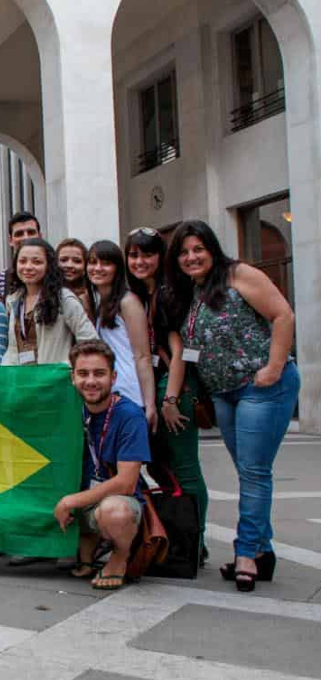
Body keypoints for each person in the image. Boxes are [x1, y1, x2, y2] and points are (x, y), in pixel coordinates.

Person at [167, 220, 298, 592]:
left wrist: (273, 367)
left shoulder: (239, 274)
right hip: (224, 394)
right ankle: (263, 551)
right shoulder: (191, 292)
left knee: (255, 472)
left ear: (212, 249)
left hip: (261, 388)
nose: (191, 257)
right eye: (184, 252)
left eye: (198, 249)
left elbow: (282, 315)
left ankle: (245, 553)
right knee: (248, 471)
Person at [126, 227, 207, 561]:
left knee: (185, 468)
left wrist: (171, 400)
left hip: (174, 388)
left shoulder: (168, 293)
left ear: (161, 257)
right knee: (161, 466)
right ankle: (181, 536)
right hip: (156, 386)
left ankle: (195, 542)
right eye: (133, 255)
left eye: (147, 254)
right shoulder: (142, 294)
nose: (140, 261)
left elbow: (178, 352)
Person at [55, 341, 150, 592]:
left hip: (116, 501)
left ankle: (120, 556)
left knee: (114, 512)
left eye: (99, 373)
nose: (91, 381)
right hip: (82, 503)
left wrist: (70, 501)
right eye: (83, 374)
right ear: (72, 377)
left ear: (113, 377)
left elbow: (127, 483)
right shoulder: (70, 408)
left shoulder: (129, 415)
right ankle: (87, 546)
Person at [87, 241, 157, 428]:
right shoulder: (98, 303)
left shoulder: (128, 301)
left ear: (118, 268)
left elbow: (142, 356)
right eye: (92, 262)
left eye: (106, 263)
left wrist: (150, 404)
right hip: (109, 392)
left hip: (130, 395)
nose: (97, 268)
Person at [2, 239, 98, 366]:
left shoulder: (64, 298)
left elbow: (91, 343)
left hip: (54, 382)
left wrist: (65, 367)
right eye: (22, 261)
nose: (28, 267)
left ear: (49, 265)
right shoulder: (14, 300)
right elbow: (13, 349)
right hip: (22, 382)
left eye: (37, 262)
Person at [0, 213, 41, 299]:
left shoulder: (56, 272)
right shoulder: (3, 278)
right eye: (19, 234)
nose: (26, 237)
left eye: (31, 232)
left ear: (40, 236)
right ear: (10, 240)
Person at [56, 238, 94, 317]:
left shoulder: (91, 297)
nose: (69, 265)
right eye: (64, 260)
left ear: (85, 266)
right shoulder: (45, 293)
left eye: (77, 261)